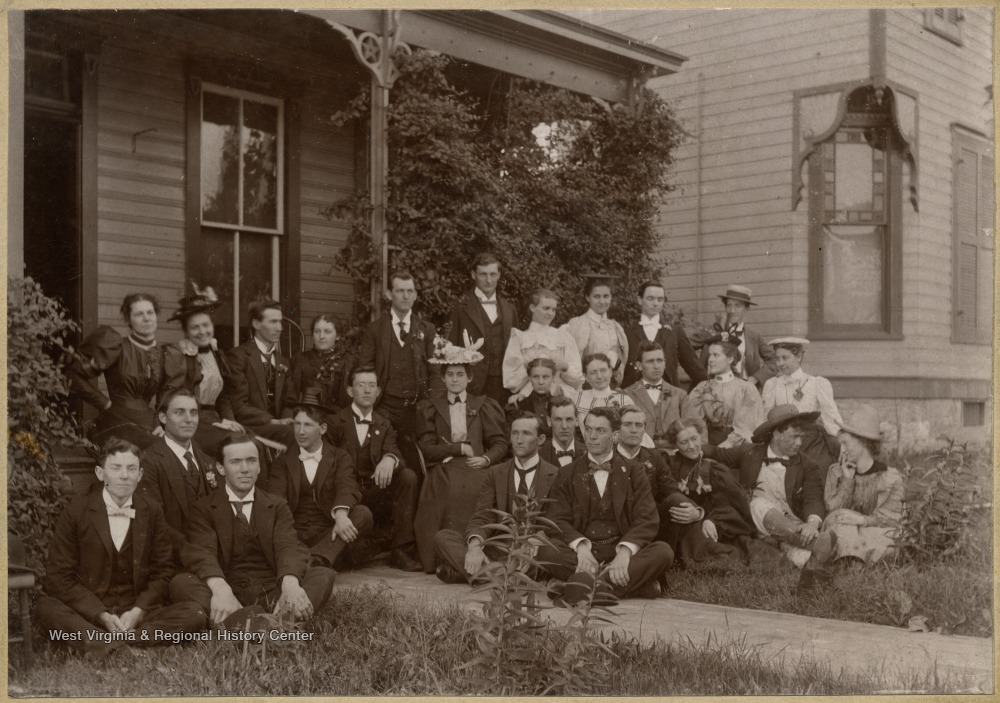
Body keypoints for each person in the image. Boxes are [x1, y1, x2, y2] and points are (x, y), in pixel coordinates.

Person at [35, 438, 207, 659]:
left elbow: (163, 572)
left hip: (134, 613)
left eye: (131, 469)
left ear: (140, 475)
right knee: (44, 607)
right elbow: (58, 577)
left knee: (194, 613)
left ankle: (106, 644)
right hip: (90, 613)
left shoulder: (152, 511)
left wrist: (138, 611)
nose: (124, 476)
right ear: (100, 473)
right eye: (116, 468)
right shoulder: (76, 511)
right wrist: (101, 614)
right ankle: (129, 645)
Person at [169, 434, 336, 627]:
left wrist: (290, 584)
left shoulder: (276, 505)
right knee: (181, 583)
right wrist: (221, 590)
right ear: (220, 468)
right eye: (235, 462)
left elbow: (287, 545)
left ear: (259, 467)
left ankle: (246, 623)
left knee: (323, 575)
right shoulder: (204, 508)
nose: (245, 469)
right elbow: (202, 553)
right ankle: (276, 625)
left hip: (273, 591)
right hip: (229, 592)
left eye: (251, 461)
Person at [539, 407, 674, 605]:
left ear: (615, 435)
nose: (592, 436)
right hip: (580, 555)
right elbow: (557, 519)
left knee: (663, 552)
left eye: (600, 430)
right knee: (545, 551)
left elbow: (647, 518)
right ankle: (624, 587)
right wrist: (581, 548)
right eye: (588, 429)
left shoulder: (635, 471)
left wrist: (625, 553)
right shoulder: (567, 473)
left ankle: (579, 586)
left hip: (619, 551)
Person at [704, 405, 836, 590]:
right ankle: (812, 545)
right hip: (757, 521)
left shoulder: (807, 465)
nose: (799, 443)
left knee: (802, 558)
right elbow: (716, 453)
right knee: (757, 503)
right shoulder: (749, 452)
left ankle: (806, 558)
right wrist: (692, 449)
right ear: (776, 433)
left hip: (791, 525)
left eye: (801, 437)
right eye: (794, 437)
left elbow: (813, 499)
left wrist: (812, 524)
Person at [412, 342, 509, 573]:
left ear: (469, 377)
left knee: (482, 490)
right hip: (445, 468)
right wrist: (459, 449)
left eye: (460, 374)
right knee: (449, 490)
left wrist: (486, 459)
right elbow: (427, 449)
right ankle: (446, 556)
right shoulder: (431, 407)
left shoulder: (483, 405)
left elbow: (500, 443)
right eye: (450, 375)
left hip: (477, 466)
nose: (455, 380)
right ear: (442, 378)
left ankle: (478, 551)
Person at [433, 412, 559, 585]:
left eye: (526, 433)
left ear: (541, 439)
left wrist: (536, 540)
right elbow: (483, 515)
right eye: (515, 433)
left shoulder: (555, 475)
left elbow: (557, 521)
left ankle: (477, 575)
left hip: (530, 551)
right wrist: (475, 547)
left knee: (545, 556)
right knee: (443, 537)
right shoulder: (496, 472)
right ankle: (504, 577)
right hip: (498, 548)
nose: (518, 440)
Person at [328, 366, 422, 572]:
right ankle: (377, 541)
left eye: (372, 386)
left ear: (378, 392)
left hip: (373, 492)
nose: (367, 390)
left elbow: (394, 451)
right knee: (353, 552)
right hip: (345, 494)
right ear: (350, 391)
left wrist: (389, 458)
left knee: (407, 476)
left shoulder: (384, 423)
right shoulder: (336, 422)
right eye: (361, 385)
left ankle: (401, 549)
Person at [267, 390, 373, 570]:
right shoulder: (283, 460)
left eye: (308, 425)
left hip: (330, 531)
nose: (300, 431)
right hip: (295, 532)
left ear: (322, 429)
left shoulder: (339, 457)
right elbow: (276, 497)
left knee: (363, 514)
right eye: (297, 424)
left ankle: (315, 559)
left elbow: (346, 486)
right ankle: (320, 558)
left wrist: (341, 515)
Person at [357, 270, 439, 473]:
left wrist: (432, 405)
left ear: (416, 295)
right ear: (389, 294)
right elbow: (365, 369)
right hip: (385, 409)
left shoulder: (427, 330)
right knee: (383, 459)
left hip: (417, 409)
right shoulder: (374, 330)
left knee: (418, 464)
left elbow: (435, 371)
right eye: (400, 291)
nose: (405, 296)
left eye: (410, 291)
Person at [68, 293, 169, 449]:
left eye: (150, 312)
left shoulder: (165, 354)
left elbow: (165, 396)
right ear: (128, 320)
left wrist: (159, 424)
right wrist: (104, 403)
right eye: (139, 314)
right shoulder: (116, 346)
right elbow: (74, 376)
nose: (146, 318)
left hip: (149, 423)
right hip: (117, 420)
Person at [660, 418, 755, 569]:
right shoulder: (667, 465)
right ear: (675, 444)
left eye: (694, 439)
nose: (691, 446)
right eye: (684, 442)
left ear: (701, 437)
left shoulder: (712, 469)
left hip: (702, 522)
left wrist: (709, 519)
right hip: (673, 524)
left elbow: (724, 504)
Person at [139, 388, 219, 562]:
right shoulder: (150, 462)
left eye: (193, 413)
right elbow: (155, 523)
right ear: (163, 417)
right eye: (179, 412)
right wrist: (193, 553)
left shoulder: (207, 460)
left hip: (213, 555)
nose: (189, 419)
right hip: (174, 558)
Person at [163, 287, 243, 457]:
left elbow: (223, 396)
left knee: (249, 441)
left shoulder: (216, 353)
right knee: (233, 445)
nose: (202, 332)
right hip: (190, 422)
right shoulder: (180, 356)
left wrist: (230, 421)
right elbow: (178, 400)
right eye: (195, 328)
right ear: (186, 332)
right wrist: (217, 422)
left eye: (206, 325)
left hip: (215, 420)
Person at [823, 406, 904, 564]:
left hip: (872, 532)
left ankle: (849, 557)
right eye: (841, 444)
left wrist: (862, 520)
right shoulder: (836, 472)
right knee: (840, 522)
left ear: (863, 442)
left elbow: (892, 519)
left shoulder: (889, 477)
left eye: (845, 443)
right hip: (844, 530)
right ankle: (856, 558)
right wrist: (847, 480)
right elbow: (833, 513)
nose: (842, 450)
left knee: (893, 537)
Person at [761, 337, 843, 474]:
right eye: (777, 359)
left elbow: (831, 417)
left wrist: (842, 440)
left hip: (810, 441)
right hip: (783, 442)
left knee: (815, 470)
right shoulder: (772, 385)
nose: (780, 363)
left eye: (785, 358)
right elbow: (766, 418)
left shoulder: (816, 383)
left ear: (798, 356)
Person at [446, 253, 519, 406]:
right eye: (483, 274)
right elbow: (450, 348)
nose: (488, 280)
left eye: (493, 274)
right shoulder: (459, 307)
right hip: (472, 384)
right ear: (474, 275)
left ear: (499, 275)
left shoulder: (509, 309)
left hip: (504, 386)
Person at [224, 300, 295, 448]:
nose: (280, 328)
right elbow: (238, 404)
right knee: (291, 434)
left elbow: (289, 402)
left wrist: (286, 419)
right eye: (273, 322)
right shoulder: (239, 356)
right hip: (251, 426)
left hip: (280, 426)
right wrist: (271, 421)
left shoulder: (283, 361)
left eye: (280, 322)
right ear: (256, 324)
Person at [502, 288, 584, 398]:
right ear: (532, 307)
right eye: (546, 308)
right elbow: (511, 382)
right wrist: (529, 367)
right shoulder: (520, 338)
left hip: (561, 394)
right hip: (529, 395)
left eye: (553, 310)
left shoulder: (563, 337)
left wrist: (565, 367)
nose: (550, 313)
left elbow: (578, 379)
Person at [623, 281, 706, 389]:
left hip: (668, 396)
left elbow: (695, 368)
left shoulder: (675, 332)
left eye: (660, 299)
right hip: (636, 396)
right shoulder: (627, 334)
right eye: (650, 298)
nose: (655, 303)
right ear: (640, 300)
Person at [693, 284, 778, 390]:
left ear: (746, 309)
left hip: (744, 390)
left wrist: (754, 378)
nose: (732, 311)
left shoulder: (755, 337)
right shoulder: (711, 331)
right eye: (729, 305)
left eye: (737, 306)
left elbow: (775, 360)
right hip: (714, 390)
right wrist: (699, 372)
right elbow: (685, 348)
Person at [682, 340, 765, 447]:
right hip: (707, 445)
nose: (710, 360)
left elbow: (746, 428)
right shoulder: (702, 388)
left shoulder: (745, 388)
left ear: (730, 359)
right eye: (710, 355)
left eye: (716, 355)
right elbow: (693, 422)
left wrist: (724, 447)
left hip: (736, 447)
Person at [562, 275, 629, 387]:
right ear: (588, 297)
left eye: (606, 296)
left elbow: (621, 363)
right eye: (596, 297)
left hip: (610, 387)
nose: (602, 301)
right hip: (585, 387)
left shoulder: (615, 327)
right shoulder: (580, 325)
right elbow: (571, 363)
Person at [624, 341, 690, 451]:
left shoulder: (680, 395)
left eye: (660, 360)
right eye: (650, 361)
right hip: (641, 453)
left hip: (675, 453)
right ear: (639, 366)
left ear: (665, 364)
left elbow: (692, 429)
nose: (656, 366)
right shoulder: (628, 394)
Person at [284, 313, 350, 416]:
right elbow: (290, 399)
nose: (321, 336)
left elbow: (346, 402)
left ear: (338, 336)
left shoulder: (346, 361)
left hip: (335, 417)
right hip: (303, 416)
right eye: (317, 331)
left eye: (327, 332)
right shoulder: (299, 359)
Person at [615, 407, 674, 510]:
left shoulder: (655, 457)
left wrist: (697, 513)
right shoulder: (605, 456)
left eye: (639, 425)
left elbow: (671, 491)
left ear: (644, 430)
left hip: (650, 515)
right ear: (616, 429)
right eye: (627, 424)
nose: (634, 430)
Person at [573, 353, 636, 428]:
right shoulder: (577, 398)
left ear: (610, 372)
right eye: (593, 372)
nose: (599, 376)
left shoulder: (625, 401)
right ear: (585, 376)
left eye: (603, 370)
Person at [506, 357, 557, 438]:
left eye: (545, 377)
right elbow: (510, 437)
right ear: (529, 378)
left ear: (553, 378)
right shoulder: (519, 405)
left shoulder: (559, 405)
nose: (541, 382)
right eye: (536, 377)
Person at [538, 396, 586, 467]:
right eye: (558, 419)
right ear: (549, 421)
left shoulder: (589, 453)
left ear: (576, 421)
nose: (564, 426)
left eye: (569, 419)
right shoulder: (538, 456)